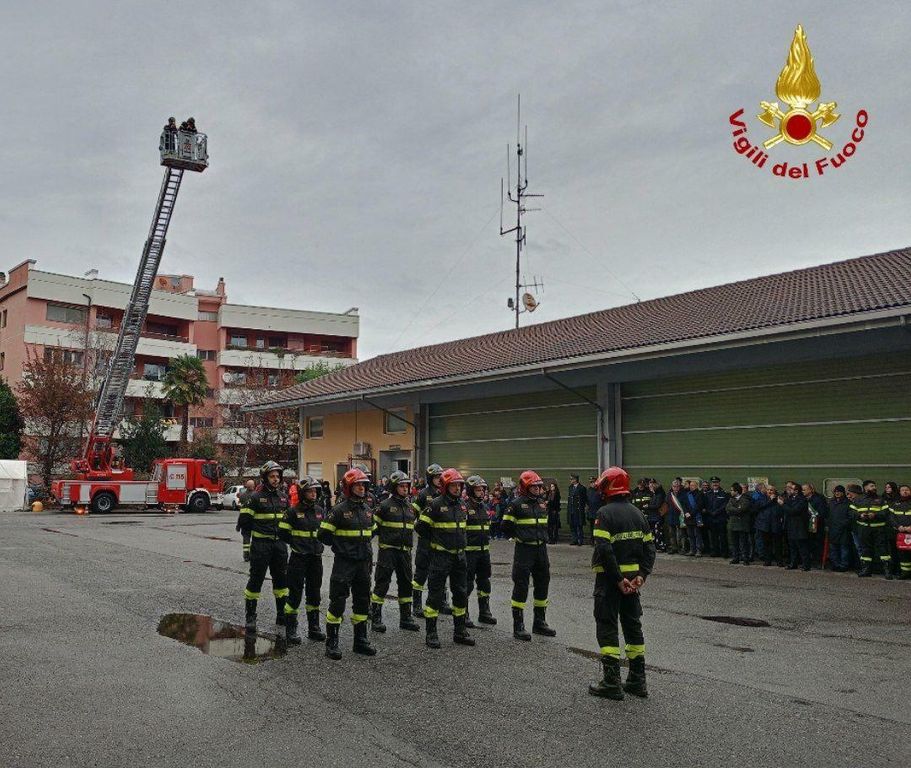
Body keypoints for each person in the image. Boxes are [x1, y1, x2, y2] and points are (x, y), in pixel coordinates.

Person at [587, 466, 656, 700]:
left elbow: (604, 550)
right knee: (632, 626)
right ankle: (637, 680)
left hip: (610, 583)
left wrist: (618, 579)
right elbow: (650, 548)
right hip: (633, 584)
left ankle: (611, 682)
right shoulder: (638, 513)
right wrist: (642, 575)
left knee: (607, 626)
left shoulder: (604, 514)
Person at [317, 467, 377, 659]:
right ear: (348, 487)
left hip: (363, 563)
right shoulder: (338, 510)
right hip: (344, 563)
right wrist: (341, 547)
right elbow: (323, 534)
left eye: (363, 485)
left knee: (363, 600)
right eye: (357, 485)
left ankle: (360, 641)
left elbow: (373, 531)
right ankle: (332, 643)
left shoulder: (367, 510)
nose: (361, 488)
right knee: (338, 601)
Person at [415, 468, 474, 649]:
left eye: (459, 485)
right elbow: (420, 527)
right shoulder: (434, 504)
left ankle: (460, 631)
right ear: (446, 486)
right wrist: (436, 542)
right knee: (435, 594)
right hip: (441, 557)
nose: (457, 488)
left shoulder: (462, 505)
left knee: (461, 594)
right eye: (454, 485)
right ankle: (431, 633)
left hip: (459, 557)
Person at [237, 461, 291, 632]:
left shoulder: (284, 497)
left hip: (279, 546)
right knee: (256, 580)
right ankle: (250, 616)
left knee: (281, 581)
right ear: (265, 478)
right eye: (272, 476)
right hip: (261, 546)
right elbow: (244, 521)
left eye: (277, 476)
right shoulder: (255, 498)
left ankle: (281, 615)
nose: (276, 479)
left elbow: (289, 522)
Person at [502, 470, 556, 641]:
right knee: (521, 585)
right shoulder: (515, 505)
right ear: (525, 487)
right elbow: (506, 526)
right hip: (524, 550)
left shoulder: (542, 504)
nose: (537, 489)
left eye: (539, 486)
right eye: (534, 487)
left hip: (541, 550)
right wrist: (518, 536)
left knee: (543, 583)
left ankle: (539, 622)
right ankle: (518, 626)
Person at [369, 471, 420, 633]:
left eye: (407, 486)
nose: (405, 489)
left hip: (405, 553)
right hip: (388, 552)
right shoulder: (384, 506)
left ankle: (406, 618)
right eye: (401, 486)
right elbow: (372, 528)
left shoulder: (411, 507)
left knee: (406, 584)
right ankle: (376, 618)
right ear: (393, 487)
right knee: (382, 584)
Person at [278, 476, 326, 644]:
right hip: (298, 558)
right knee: (295, 594)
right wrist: (296, 544)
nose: (313, 494)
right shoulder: (292, 512)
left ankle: (314, 628)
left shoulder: (320, 511)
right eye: (310, 491)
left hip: (315, 558)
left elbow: (325, 532)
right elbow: (283, 533)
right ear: (302, 493)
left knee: (314, 593)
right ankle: (291, 629)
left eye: (315, 491)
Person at [411, 464, 445, 615]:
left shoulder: (445, 493)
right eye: (436, 477)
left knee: (441, 572)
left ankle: (441, 602)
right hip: (425, 540)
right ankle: (417, 605)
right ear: (430, 478)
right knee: (421, 572)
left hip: (441, 540)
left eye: (440, 477)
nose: (439, 479)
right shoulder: (423, 494)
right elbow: (413, 513)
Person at [464, 475, 497, 627]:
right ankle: (463, 613)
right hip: (469, 553)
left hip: (484, 553)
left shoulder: (484, 507)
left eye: (483, 490)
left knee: (484, 582)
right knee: (467, 584)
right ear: (471, 491)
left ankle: (484, 612)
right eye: (478, 490)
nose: (482, 492)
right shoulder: (464, 507)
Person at [850, 480, 892, 579]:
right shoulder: (858, 499)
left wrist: (875, 515)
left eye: (874, 486)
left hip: (879, 529)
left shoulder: (881, 500)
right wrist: (860, 515)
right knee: (865, 550)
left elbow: (886, 513)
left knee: (883, 550)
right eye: (872, 486)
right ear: (865, 488)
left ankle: (887, 571)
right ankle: (866, 570)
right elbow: (851, 512)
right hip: (864, 529)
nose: (874, 488)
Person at [780, 481, 810, 570]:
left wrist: (783, 504)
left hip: (799, 527)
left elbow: (794, 511)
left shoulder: (802, 500)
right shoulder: (790, 499)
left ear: (796, 491)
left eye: (791, 489)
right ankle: (793, 563)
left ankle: (806, 565)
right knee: (792, 547)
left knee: (802, 547)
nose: (789, 490)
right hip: (791, 526)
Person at [754, 486, 784, 566]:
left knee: (778, 544)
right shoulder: (762, 498)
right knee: (767, 544)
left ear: (775, 491)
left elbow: (782, 509)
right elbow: (758, 506)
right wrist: (770, 500)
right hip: (765, 525)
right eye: (768, 490)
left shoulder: (779, 498)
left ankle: (779, 561)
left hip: (776, 524)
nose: (769, 491)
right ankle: (768, 560)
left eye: (771, 490)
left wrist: (780, 503)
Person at [827, 485, 853, 572]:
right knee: (833, 548)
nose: (837, 493)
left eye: (839, 491)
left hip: (844, 529)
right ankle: (835, 564)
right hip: (833, 529)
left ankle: (844, 565)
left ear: (843, 493)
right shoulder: (831, 503)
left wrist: (843, 524)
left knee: (844, 548)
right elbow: (828, 515)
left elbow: (850, 517)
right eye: (835, 491)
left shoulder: (848, 503)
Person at [726, 483, 753, 564]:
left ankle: (745, 558)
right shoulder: (731, 500)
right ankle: (736, 557)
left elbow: (742, 510)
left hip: (742, 525)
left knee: (743, 543)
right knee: (734, 543)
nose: (731, 492)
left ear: (737, 491)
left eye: (732, 490)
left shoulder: (745, 499)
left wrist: (734, 510)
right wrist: (736, 509)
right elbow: (727, 509)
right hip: (733, 524)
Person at [802, 483, 828, 567]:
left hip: (817, 526)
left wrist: (814, 518)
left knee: (817, 544)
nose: (802, 491)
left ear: (810, 490)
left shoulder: (818, 499)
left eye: (804, 490)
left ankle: (818, 561)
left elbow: (822, 513)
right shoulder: (803, 499)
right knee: (809, 544)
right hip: (806, 525)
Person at [888, 484, 911, 579]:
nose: (905, 491)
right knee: (903, 554)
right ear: (899, 492)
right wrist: (898, 526)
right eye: (902, 490)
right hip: (900, 533)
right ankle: (905, 572)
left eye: (907, 490)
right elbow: (891, 517)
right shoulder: (894, 504)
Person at [703, 477, 730, 558]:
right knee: (713, 537)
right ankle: (715, 551)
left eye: (716, 482)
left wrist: (716, 512)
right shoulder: (708, 494)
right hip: (711, 518)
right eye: (713, 482)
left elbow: (725, 505)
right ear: (711, 484)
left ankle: (725, 552)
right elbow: (705, 505)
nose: (715, 484)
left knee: (723, 537)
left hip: (721, 518)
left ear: (719, 483)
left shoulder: (724, 493)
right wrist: (710, 512)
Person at [235, 479, 256, 562]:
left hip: (244, 520)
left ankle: (246, 555)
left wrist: (238, 525)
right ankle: (253, 554)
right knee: (255, 539)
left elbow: (241, 511)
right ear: (253, 486)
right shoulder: (256, 495)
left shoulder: (242, 496)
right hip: (254, 521)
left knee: (246, 538)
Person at [683, 480, 704, 557]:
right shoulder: (687, 494)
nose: (691, 487)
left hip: (696, 517)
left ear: (696, 486)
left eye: (693, 485)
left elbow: (699, 506)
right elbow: (684, 504)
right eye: (690, 485)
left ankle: (699, 550)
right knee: (690, 535)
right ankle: (692, 550)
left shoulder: (700, 494)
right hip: (688, 518)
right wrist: (686, 512)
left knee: (697, 535)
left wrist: (691, 513)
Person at [646, 479, 666, 551]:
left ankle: (660, 546)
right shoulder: (653, 495)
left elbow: (657, 505)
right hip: (652, 517)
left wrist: (648, 506)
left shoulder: (660, 495)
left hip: (657, 516)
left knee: (658, 532)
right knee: (653, 532)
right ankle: (655, 546)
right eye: (649, 486)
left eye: (651, 486)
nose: (650, 488)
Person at [567, 474, 587, 546]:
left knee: (579, 525)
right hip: (571, 509)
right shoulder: (570, 487)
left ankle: (580, 540)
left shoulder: (582, 488)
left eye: (571, 479)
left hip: (578, 510)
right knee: (572, 526)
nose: (570, 480)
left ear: (575, 479)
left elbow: (584, 499)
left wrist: (584, 507)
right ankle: (574, 540)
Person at [586, 477, 601, 544]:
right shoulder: (588, 491)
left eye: (593, 482)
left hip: (598, 512)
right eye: (591, 482)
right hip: (591, 512)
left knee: (598, 527)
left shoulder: (599, 490)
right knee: (592, 527)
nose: (592, 484)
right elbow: (587, 501)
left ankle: (597, 540)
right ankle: (592, 540)